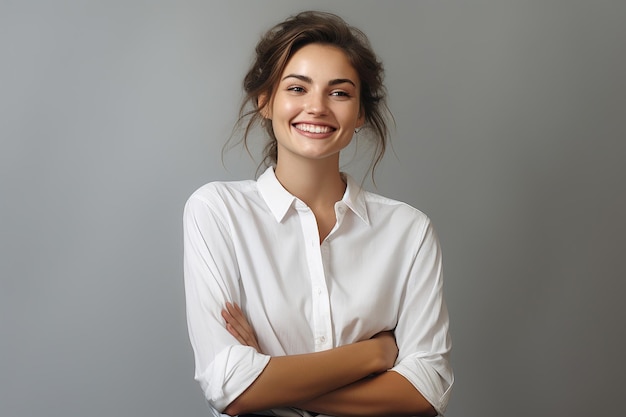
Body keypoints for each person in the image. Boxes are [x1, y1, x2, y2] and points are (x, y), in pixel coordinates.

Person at [183, 11, 453, 417]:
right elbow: (229, 384)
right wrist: (375, 354)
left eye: (340, 93)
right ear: (265, 101)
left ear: (360, 112)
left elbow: (427, 391)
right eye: (297, 88)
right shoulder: (217, 212)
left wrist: (271, 378)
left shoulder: (408, 232)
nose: (317, 107)